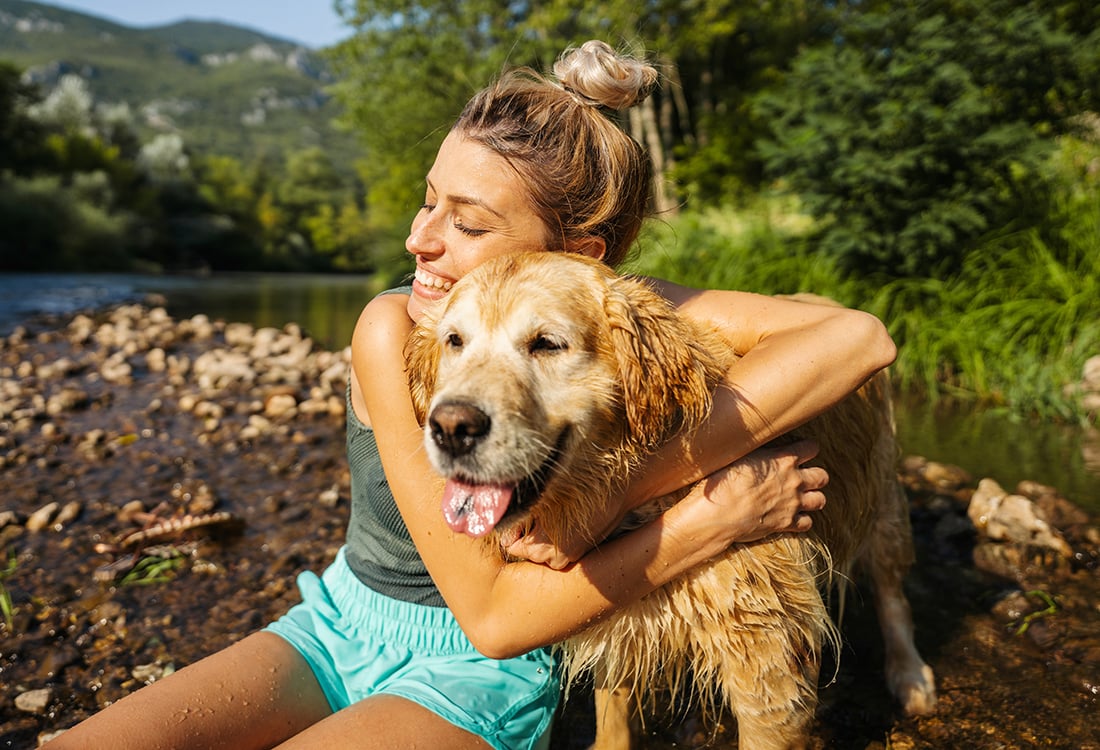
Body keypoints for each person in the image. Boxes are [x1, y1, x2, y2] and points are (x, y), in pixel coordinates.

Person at [45, 41, 896, 750]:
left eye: (467, 222)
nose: (420, 238)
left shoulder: (612, 307)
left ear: (580, 257)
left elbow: (859, 337)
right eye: (427, 202)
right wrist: (700, 515)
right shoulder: (393, 327)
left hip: (483, 671)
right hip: (339, 625)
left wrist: (641, 486)